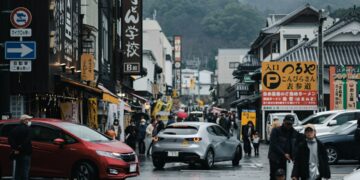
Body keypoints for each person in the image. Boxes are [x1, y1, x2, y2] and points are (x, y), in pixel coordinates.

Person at [268, 115, 303, 180]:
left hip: (288, 160)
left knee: (287, 176)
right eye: (287, 123)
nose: (288, 125)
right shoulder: (276, 131)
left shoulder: (295, 133)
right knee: (275, 176)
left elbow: (298, 145)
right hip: (276, 159)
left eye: (290, 124)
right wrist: (284, 154)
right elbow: (273, 145)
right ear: (283, 121)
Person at [8, 114, 33, 180]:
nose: (29, 121)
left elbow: (10, 140)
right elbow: (27, 141)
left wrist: (16, 148)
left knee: (18, 171)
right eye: (28, 119)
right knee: (25, 171)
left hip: (17, 153)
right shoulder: (28, 129)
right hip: (26, 153)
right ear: (24, 121)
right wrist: (20, 148)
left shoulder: (15, 129)